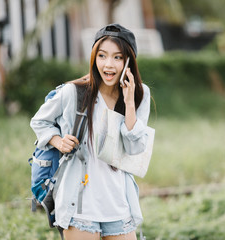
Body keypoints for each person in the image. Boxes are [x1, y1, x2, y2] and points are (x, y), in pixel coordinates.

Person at [30, 23, 150, 240]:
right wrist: (57, 141)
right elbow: (39, 121)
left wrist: (130, 103)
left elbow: (134, 149)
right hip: (80, 205)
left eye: (118, 57)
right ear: (94, 57)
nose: (108, 64)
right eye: (102, 55)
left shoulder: (140, 94)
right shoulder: (73, 92)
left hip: (119, 205)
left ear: (129, 60)